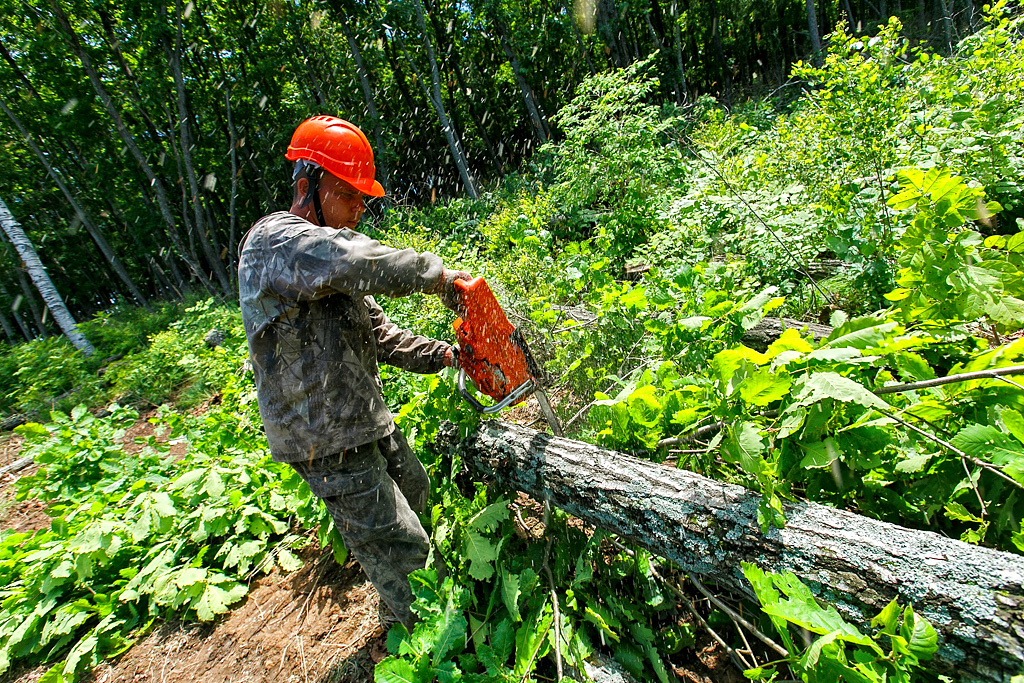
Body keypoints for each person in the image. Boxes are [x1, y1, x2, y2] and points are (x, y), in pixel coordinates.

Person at [237, 115, 470, 628]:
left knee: (419, 498)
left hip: (366, 421)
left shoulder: (330, 260)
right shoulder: (278, 243)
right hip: (325, 440)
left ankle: (416, 613)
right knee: (402, 549)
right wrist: (441, 278)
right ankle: (440, 639)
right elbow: (354, 260)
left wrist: (448, 355)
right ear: (307, 187)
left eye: (363, 199)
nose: (359, 211)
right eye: (348, 194)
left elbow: (381, 334)